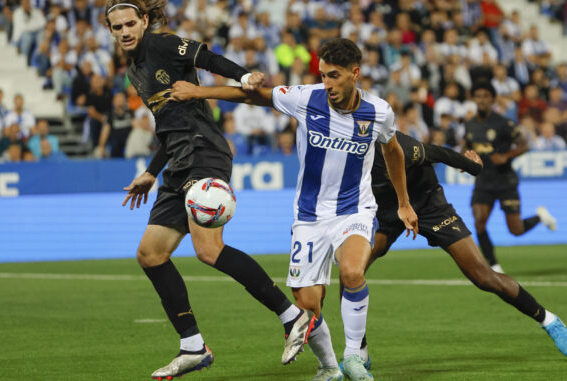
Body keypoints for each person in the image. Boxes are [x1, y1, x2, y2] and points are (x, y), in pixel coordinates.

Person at [170, 37, 419, 381]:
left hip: (355, 209)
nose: (327, 83)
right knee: (307, 305)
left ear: (355, 73)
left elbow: (393, 151)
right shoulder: (305, 97)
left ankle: (353, 357)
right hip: (309, 216)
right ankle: (329, 367)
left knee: (351, 273)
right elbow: (252, 96)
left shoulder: (378, 112)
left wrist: (404, 203)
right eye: (323, 75)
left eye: (334, 76)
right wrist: (199, 93)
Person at [104, 1, 314, 379]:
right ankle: (192, 347)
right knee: (151, 254)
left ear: (145, 21)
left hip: (204, 150)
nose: (125, 32)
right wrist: (152, 172)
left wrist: (245, 75)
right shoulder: (134, 69)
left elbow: (206, 56)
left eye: (130, 23)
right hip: (176, 161)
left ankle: (293, 316)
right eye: (117, 27)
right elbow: (169, 126)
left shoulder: (162, 44)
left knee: (208, 250)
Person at [341, 131, 567, 371]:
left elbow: (437, 152)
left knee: (483, 277)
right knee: (350, 272)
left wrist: (472, 166)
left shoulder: (393, 145)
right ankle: (359, 352)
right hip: (386, 211)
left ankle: (548, 320)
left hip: (429, 205)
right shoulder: (341, 157)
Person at [464, 81, 557, 274]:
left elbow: (524, 145)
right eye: (478, 96)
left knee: (515, 230)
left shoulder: (503, 123)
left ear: (492, 100)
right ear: (474, 99)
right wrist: (463, 160)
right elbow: (467, 147)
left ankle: (540, 217)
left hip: (505, 180)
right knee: (479, 221)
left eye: (485, 97)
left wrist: (506, 156)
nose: (481, 100)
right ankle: (494, 265)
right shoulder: (470, 125)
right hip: (483, 180)